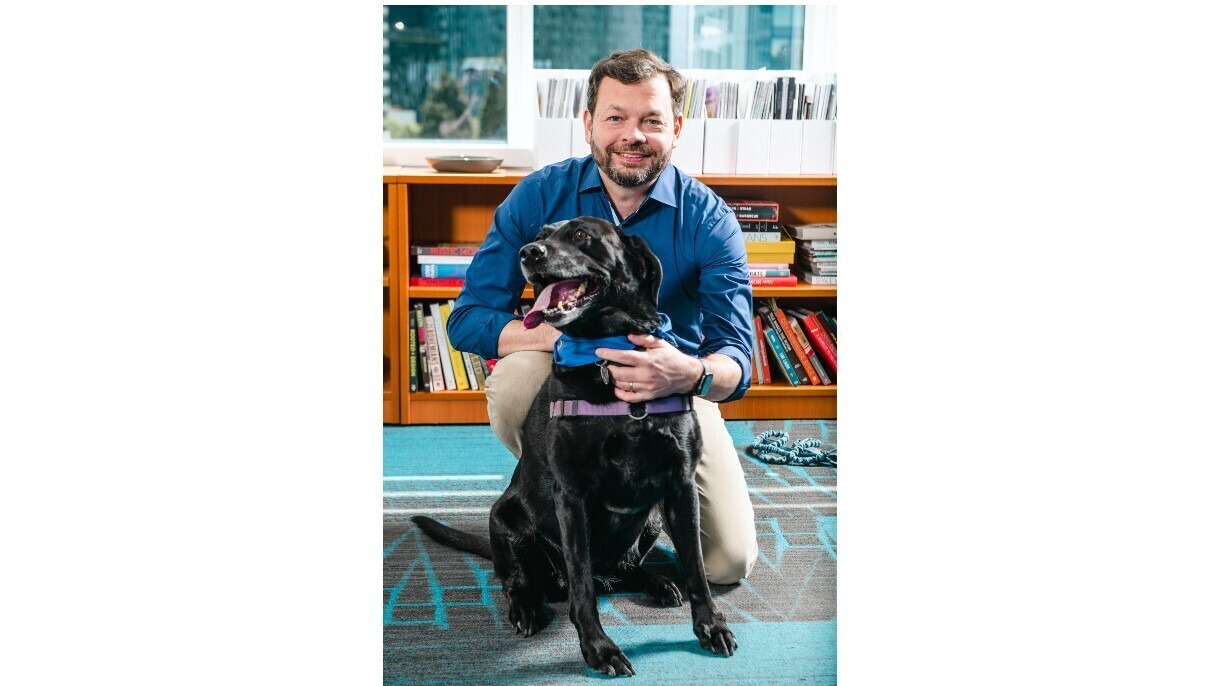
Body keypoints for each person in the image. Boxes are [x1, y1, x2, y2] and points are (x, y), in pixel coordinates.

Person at [447, 49, 757, 584]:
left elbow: (737, 360)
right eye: (616, 117)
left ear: (676, 128)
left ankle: (630, 508)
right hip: (572, 389)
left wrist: (690, 372)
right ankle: (577, 507)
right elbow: (468, 318)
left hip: (667, 393)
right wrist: (552, 334)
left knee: (729, 562)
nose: (632, 135)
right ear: (589, 123)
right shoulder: (541, 194)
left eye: (651, 120)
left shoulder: (710, 219)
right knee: (518, 378)